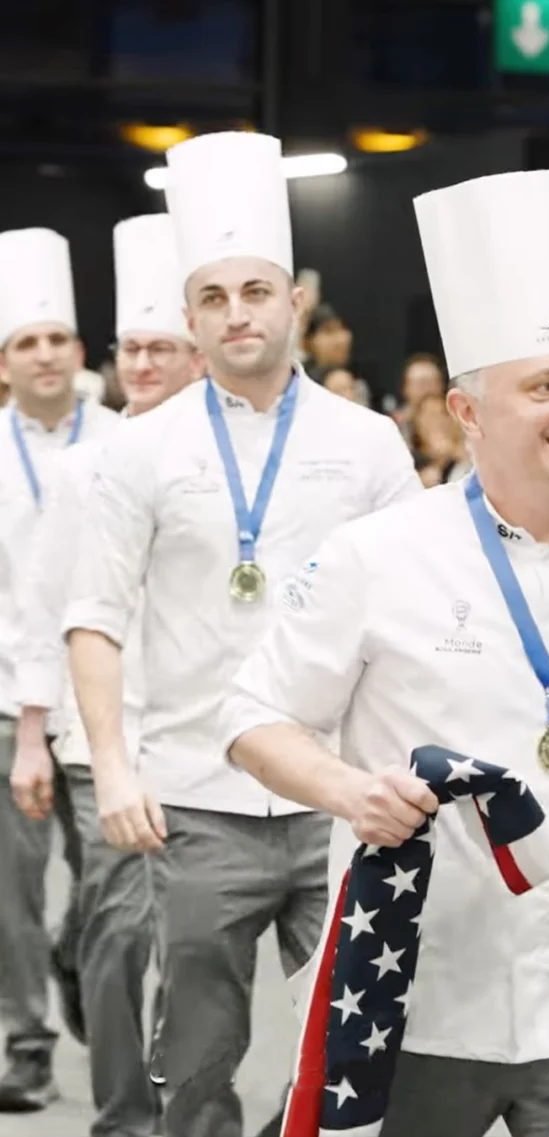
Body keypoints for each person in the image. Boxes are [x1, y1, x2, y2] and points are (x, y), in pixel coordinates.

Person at [219, 170, 549, 1137]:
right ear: (468, 413)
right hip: (420, 996)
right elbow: (251, 716)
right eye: (543, 386)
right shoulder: (379, 555)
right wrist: (349, 792)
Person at [62, 130, 422, 1137]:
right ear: (190, 319)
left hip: (338, 793)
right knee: (197, 1059)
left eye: (255, 291)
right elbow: (94, 617)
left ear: (293, 301)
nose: (237, 313)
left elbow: (418, 602)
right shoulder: (141, 451)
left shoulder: (367, 443)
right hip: (195, 800)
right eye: (213, 297)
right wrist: (113, 767)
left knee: (353, 1045)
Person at [11, 213, 201, 1137]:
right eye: (133, 349)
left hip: (208, 734)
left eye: (164, 347)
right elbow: (45, 605)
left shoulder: (221, 467)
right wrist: (31, 732)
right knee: (118, 926)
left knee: (186, 935)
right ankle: (124, 1114)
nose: (146, 364)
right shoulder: (83, 470)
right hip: (98, 731)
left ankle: (176, 1082)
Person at [0, 227, 119, 1111]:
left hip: (100, 698)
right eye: (25, 341)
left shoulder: (123, 440)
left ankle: (76, 952)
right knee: (9, 885)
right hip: (5, 701)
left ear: (78, 353)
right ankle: (27, 1041)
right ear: (5, 362)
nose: (43, 354)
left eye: (56, 339)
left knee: (108, 878)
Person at [394, 352, 445, 443]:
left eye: (432, 382)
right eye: (420, 384)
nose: (427, 390)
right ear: (405, 388)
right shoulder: (394, 426)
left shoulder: (458, 421)